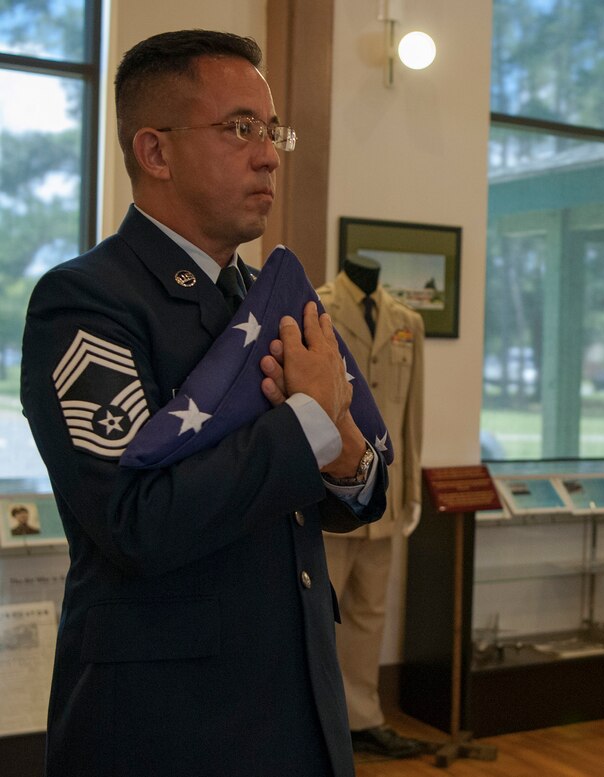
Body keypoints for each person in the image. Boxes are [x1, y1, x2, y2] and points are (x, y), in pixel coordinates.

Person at [20, 29, 388, 777]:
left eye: (270, 129)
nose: (269, 153)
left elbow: (353, 492)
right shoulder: (86, 303)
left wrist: (343, 445)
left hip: (302, 706)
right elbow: (136, 522)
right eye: (239, 128)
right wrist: (312, 422)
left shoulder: (272, 300)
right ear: (155, 152)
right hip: (170, 723)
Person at [318, 254, 427, 758]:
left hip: (383, 494)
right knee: (320, 614)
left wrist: (411, 493)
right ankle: (319, 723)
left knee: (369, 613)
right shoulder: (315, 307)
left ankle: (363, 719)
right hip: (330, 495)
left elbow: (410, 418)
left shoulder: (407, 322)